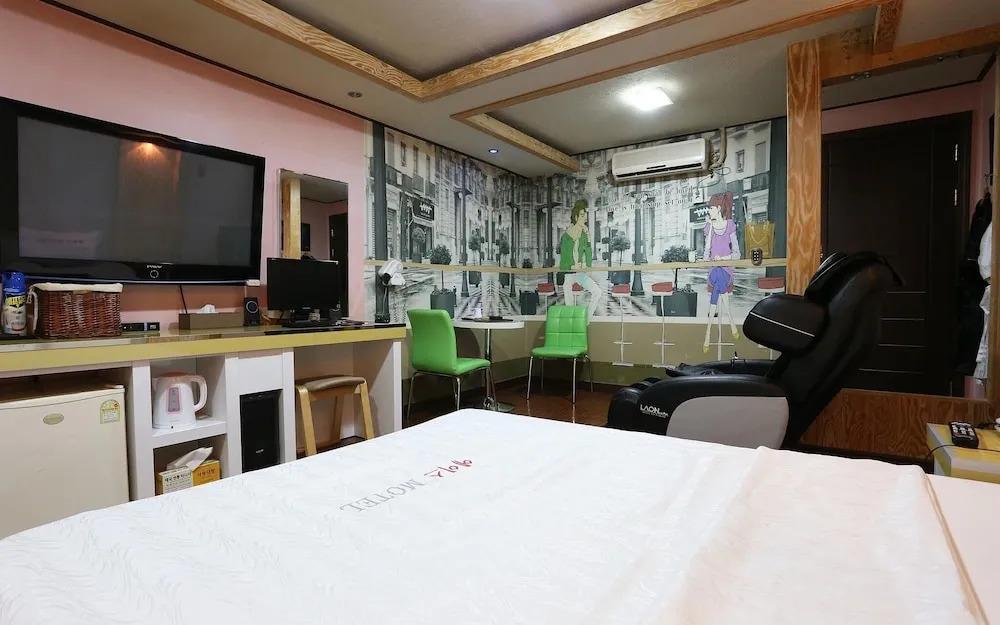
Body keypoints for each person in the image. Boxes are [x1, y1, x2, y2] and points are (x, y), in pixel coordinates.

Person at [702, 192, 740, 352]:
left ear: (718, 208)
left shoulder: (730, 226)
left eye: (711, 208)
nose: (708, 211)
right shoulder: (708, 228)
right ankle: (731, 323)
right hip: (713, 272)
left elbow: (737, 254)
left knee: (719, 277)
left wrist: (722, 258)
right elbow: (706, 257)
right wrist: (710, 230)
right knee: (716, 274)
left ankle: (708, 334)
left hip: (726, 270)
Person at [560, 199, 603, 317]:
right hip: (569, 275)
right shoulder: (566, 237)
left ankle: (586, 319)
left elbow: (589, 258)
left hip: (580, 274)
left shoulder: (584, 235)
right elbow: (563, 261)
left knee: (597, 292)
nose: (585, 218)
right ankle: (570, 320)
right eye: (582, 216)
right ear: (576, 217)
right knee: (568, 300)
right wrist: (572, 266)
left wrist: (588, 237)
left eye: (585, 215)